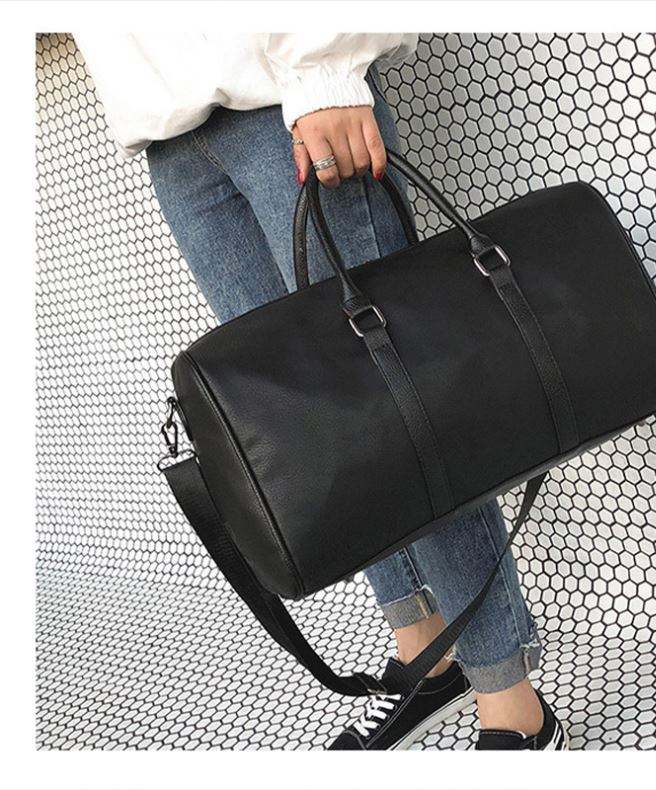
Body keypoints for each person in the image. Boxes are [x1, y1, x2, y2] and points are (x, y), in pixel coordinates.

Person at [76, 32, 568, 751]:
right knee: (317, 429)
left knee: (406, 418)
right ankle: (425, 659)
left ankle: (513, 706)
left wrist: (324, 70)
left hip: (283, 101)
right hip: (169, 139)